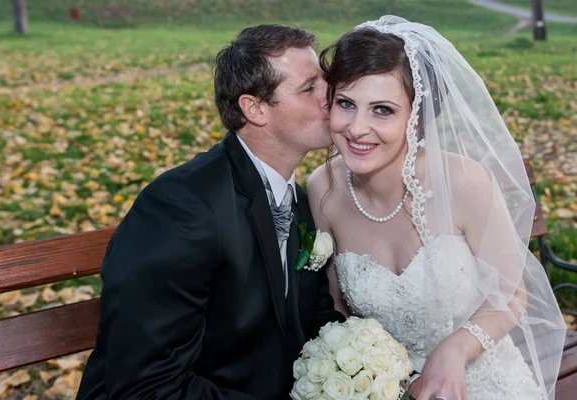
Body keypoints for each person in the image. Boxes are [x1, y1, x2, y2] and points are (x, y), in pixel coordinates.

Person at [76, 24, 343, 400]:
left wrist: (364, 364)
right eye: (309, 88)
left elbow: (311, 316)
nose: (330, 97)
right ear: (254, 109)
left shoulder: (297, 198)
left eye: (324, 83)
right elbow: (146, 385)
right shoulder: (179, 208)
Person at [308, 16, 566, 400]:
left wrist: (455, 348)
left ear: (417, 117)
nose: (357, 128)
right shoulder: (322, 189)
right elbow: (339, 309)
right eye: (346, 104)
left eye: (382, 110)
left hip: (484, 380)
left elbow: (512, 294)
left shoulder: (464, 182)